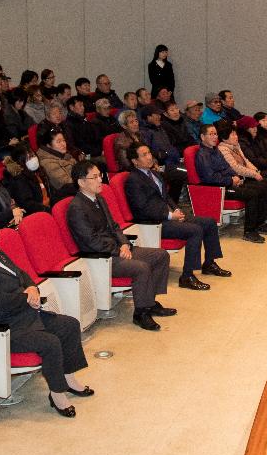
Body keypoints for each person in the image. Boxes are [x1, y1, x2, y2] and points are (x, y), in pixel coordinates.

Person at [0, 211, 92, 417]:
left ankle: (69, 379)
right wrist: (26, 297)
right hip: (4, 328)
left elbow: (22, 274)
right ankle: (57, 394)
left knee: (69, 325)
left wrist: (32, 289)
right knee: (50, 342)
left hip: (23, 314)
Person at [67, 161, 173, 330]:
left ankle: (150, 302)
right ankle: (140, 313)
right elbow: (91, 241)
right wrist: (118, 250)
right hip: (102, 258)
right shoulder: (76, 208)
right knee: (142, 267)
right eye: (94, 177)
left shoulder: (99, 199)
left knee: (160, 255)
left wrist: (124, 244)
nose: (100, 180)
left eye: (100, 175)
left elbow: (114, 226)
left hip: (117, 249)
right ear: (81, 182)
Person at [125, 142, 230, 290]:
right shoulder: (133, 180)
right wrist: (169, 215)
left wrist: (177, 211)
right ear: (134, 161)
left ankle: (209, 263)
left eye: (149, 153)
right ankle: (187, 276)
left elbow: (166, 197)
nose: (150, 157)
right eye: (144, 155)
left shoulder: (154, 174)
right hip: (155, 223)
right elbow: (143, 208)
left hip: (169, 216)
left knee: (209, 222)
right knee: (195, 230)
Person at [195, 122, 267, 244]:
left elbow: (228, 167)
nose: (215, 137)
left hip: (229, 183)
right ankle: (249, 231)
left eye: (216, 134)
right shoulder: (202, 155)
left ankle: (260, 223)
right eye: (211, 134)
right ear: (202, 137)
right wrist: (230, 180)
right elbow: (210, 178)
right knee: (252, 194)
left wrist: (234, 176)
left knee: (262, 187)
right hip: (218, 189)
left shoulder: (215, 151)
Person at [222, 120, 267, 224]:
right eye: (232, 135)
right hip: (237, 181)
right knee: (261, 189)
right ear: (224, 138)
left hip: (248, 175)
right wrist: (255, 173)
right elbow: (236, 168)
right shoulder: (224, 149)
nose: (236, 137)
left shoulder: (237, 146)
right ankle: (255, 225)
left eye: (236, 134)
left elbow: (246, 161)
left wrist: (256, 171)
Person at [36, 129, 80, 203]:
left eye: (63, 140)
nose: (63, 144)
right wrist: (86, 181)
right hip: (68, 197)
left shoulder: (64, 155)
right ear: (48, 145)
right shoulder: (47, 163)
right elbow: (66, 183)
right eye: (58, 142)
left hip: (79, 189)